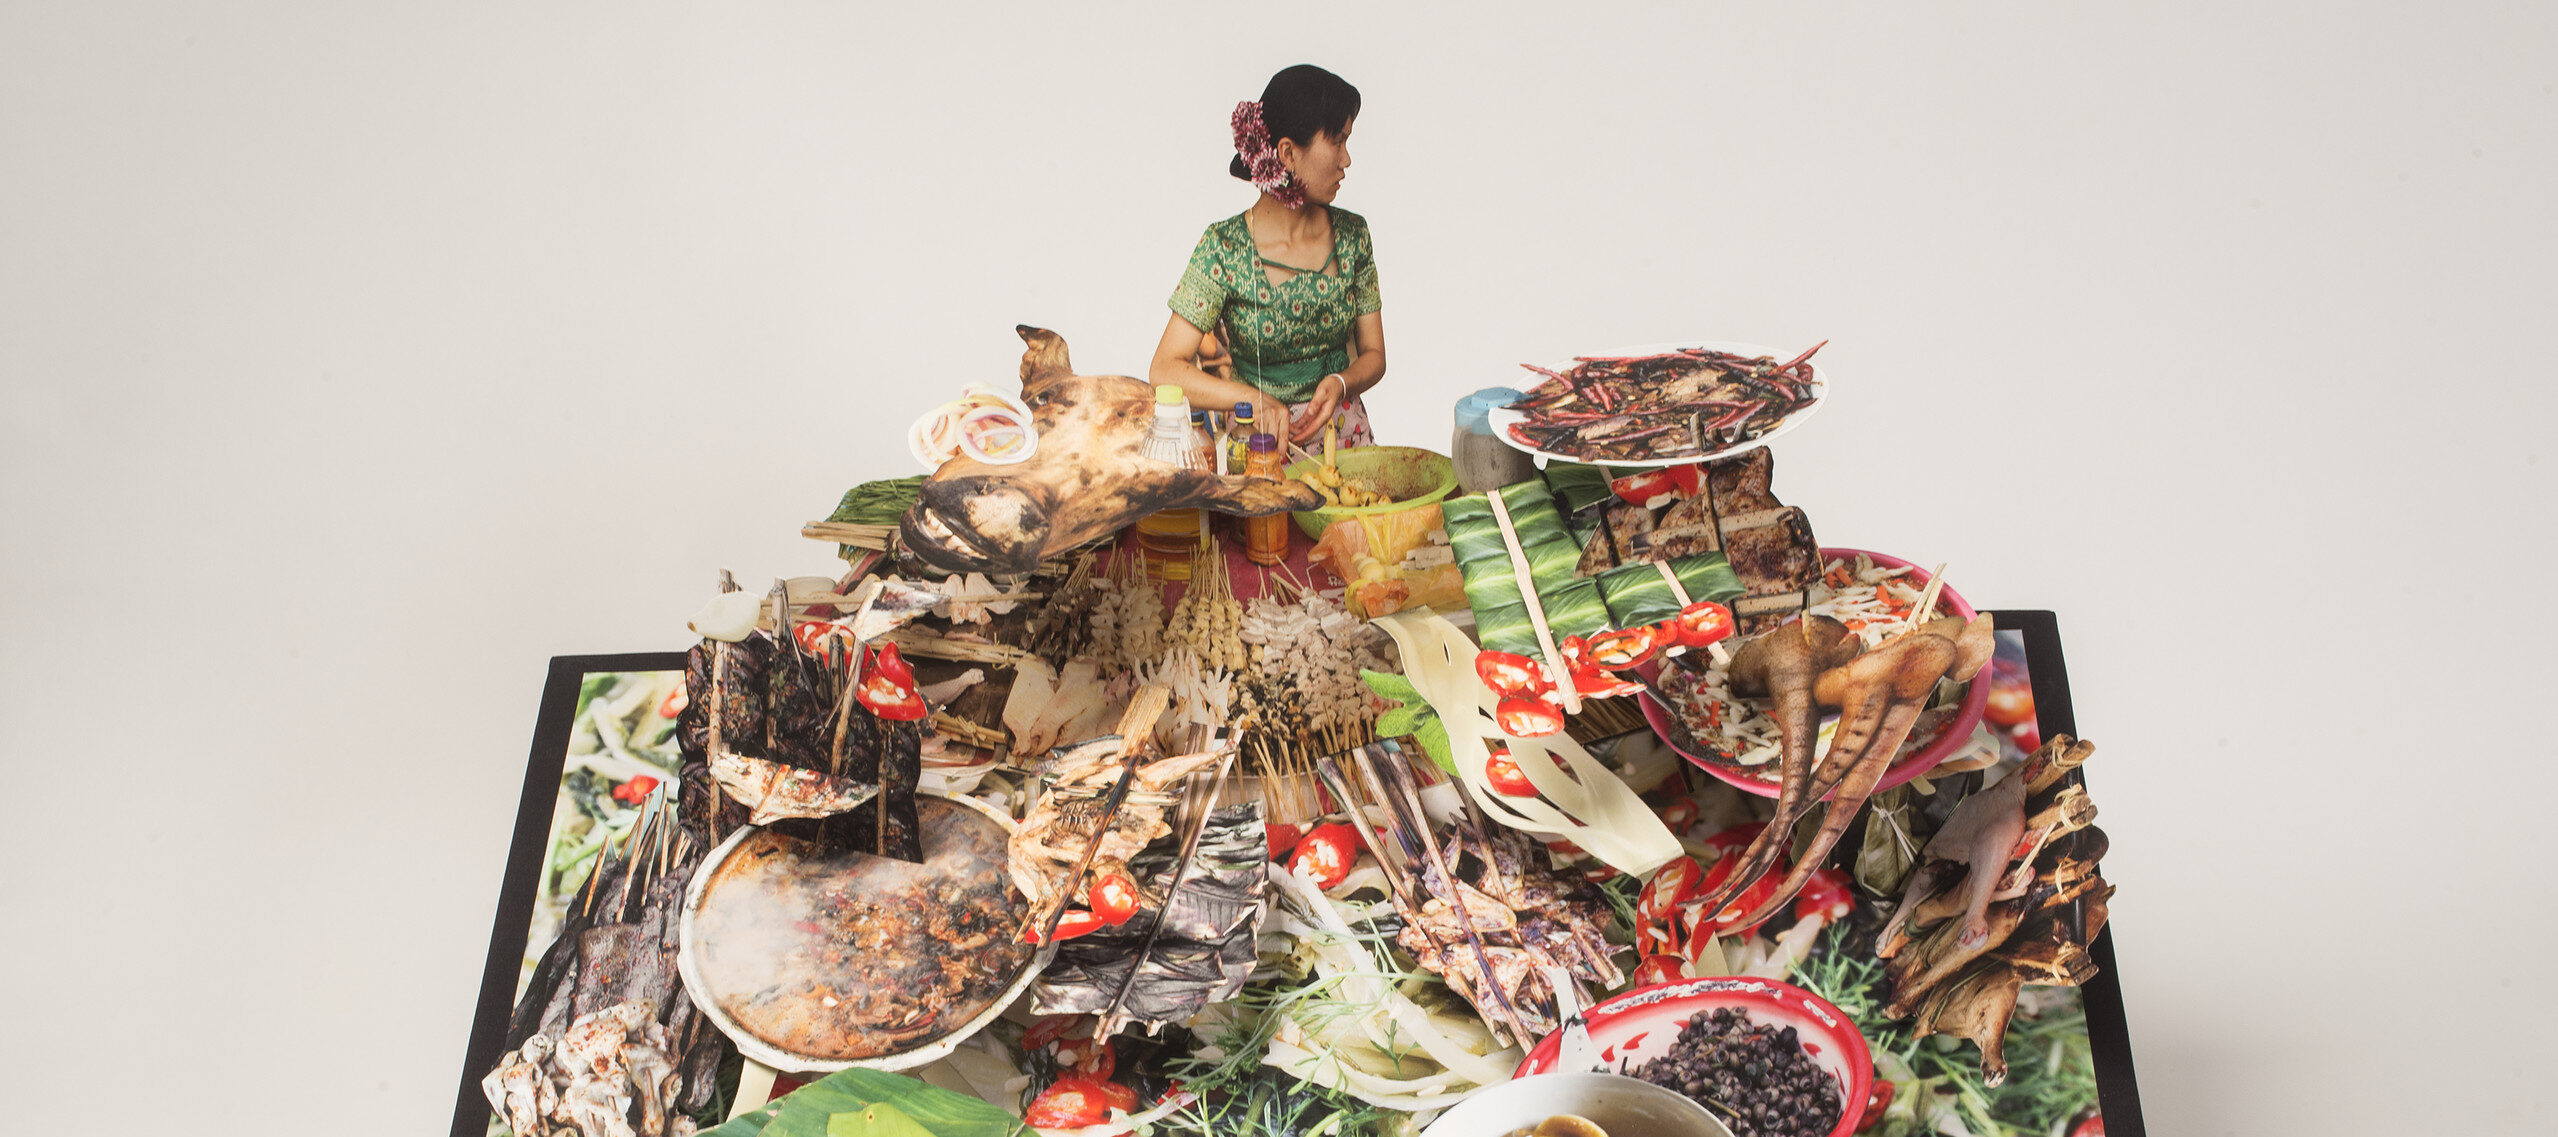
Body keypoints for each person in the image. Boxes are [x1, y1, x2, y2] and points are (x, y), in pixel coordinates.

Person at [1150, 65, 1383, 447]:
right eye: (1337, 142)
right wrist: (1251, 399)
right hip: (1259, 444)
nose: (1347, 160)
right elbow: (1165, 370)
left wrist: (1342, 382)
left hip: (1345, 441)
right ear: (1288, 153)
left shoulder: (1353, 235)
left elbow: (1374, 354)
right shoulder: (1224, 247)